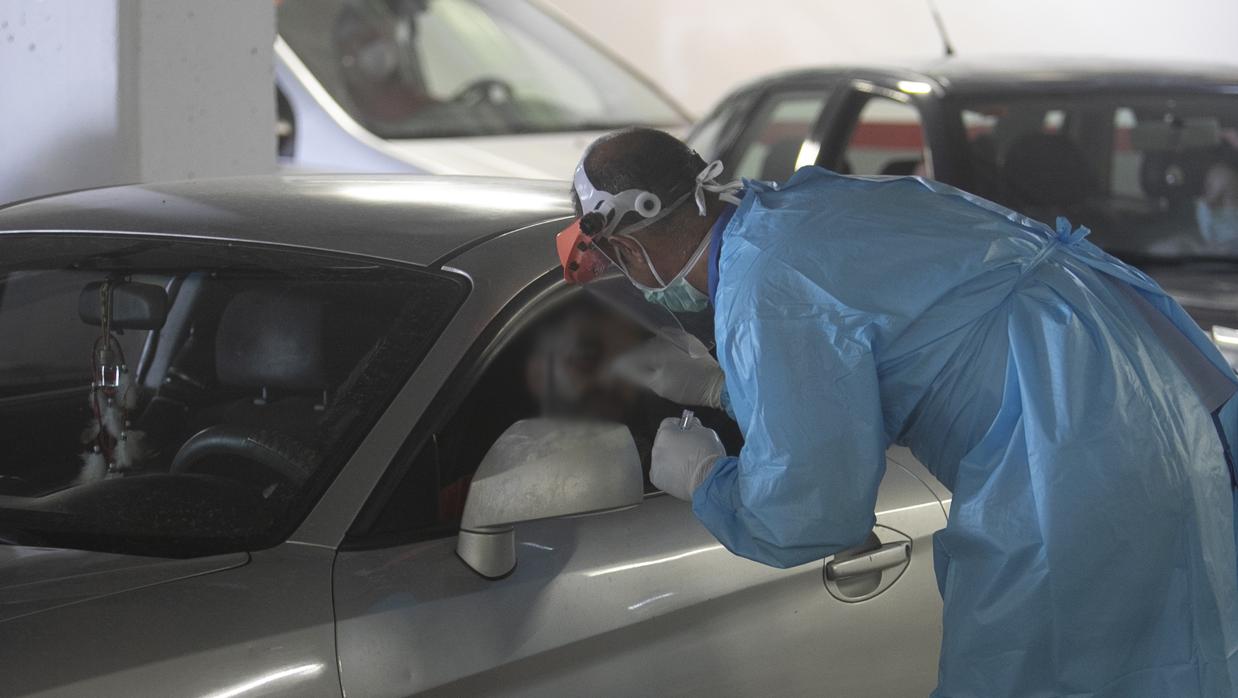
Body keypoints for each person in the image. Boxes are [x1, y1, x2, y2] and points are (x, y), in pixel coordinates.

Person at [557, 127, 1238, 697]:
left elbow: (811, 506)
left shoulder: (764, 283)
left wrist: (705, 476)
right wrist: (724, 387)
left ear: (621, 245)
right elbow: (876, 356)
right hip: (1163, 389)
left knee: (1050, 672)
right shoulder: (798, 209)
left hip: (1077, 449)